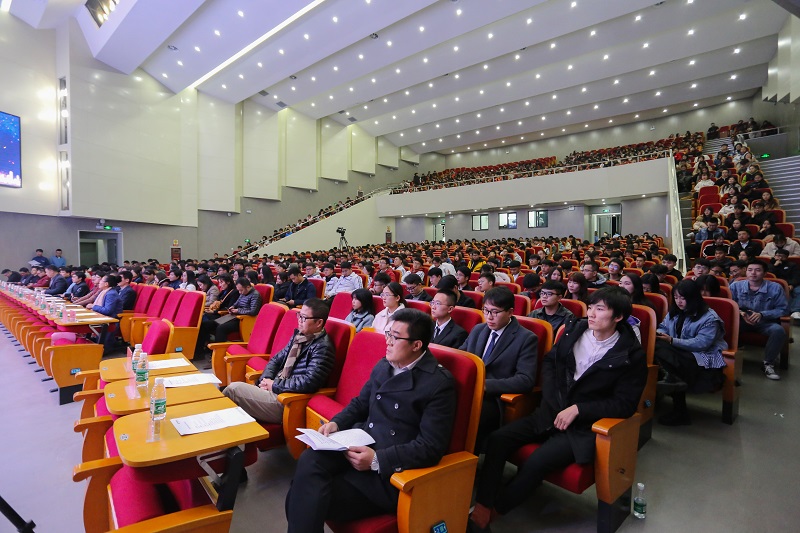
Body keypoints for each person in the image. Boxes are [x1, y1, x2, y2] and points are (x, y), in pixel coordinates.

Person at [469, 287, 647, 532]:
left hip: (582, 427)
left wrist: (578, 409)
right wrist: (554, 399)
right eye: (590, 307)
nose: (591, 313)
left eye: (599, 309)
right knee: (499, 440)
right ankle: (482, 504)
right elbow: (551, 363)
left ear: (618, 317)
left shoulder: (630, 354)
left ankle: (493, 513)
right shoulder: (575, 330)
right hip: (550, 411)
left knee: (536, 462)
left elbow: (624, 404)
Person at [285, 308, 455, 532]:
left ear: (416, 345)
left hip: (390, 470)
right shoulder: (385, 364)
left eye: (395, 337)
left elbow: (430, 446)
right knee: (309, 460)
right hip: (361, 443)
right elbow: (360, 403)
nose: (388, 341)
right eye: (388, 334)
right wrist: (337, 423)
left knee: (302, 497)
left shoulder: (438, 383)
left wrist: (377, 459)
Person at [225, 298, 335, 423]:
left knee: (233, 390)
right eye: (299, 315)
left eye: (304, 318)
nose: (299, 320)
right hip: (277, 388)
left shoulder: (323, 348)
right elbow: (276, 359)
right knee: (233, 395)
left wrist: (274, 385)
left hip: (289, 400)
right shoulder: (300, 336)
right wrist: (265, 380)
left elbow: (309, 382)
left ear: (319, 323)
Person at [460, 287, 538, 450]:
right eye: (486, 310)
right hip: (470, 391)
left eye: (495, 312)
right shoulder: (478, 329)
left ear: (510, 312)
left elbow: (526, 380)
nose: (489, 317)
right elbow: (462, 358)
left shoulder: (526, 338)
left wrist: (485, 385)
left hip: (495, 399)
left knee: (464, 413)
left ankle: (466, 457)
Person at [655, 280, 727, 425]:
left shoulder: (709, 317)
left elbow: (701, 344)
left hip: (702, 357)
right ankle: (677, 403)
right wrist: (660, 333)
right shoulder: (675, 312)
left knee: (661, 351)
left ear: (693, 297)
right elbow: (663, 326)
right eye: (676, 297)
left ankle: (678, 406)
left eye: (683, 298)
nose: (679, 302)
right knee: (654, 346)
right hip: (678, 353)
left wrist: (672, 340)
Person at [729, 259, 788, 380]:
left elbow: (783, 309)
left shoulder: (775, 288)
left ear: (765, 273)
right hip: (742, 321)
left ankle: (768, 363)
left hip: (765, 322)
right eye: (750, 270)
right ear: (746, 271)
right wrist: (740, 313)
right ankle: (727, 360)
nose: (753, 273)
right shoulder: (735, 286)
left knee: (778, 331)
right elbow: (730, 305)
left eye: (757, 270)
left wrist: (762, 314)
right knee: (723, 326)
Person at [213, 277, 262, 345]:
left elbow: (253, 311)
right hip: (236, 316)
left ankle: (219, 349)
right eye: (238, 290)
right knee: (214, 323)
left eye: (241, 290)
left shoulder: (255, 295)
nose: (240, 292)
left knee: (221, 328)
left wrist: (238, 310)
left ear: (248, 287)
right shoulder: (243, 293)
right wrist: (232, 307)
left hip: (245, 320)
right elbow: (237, 303)